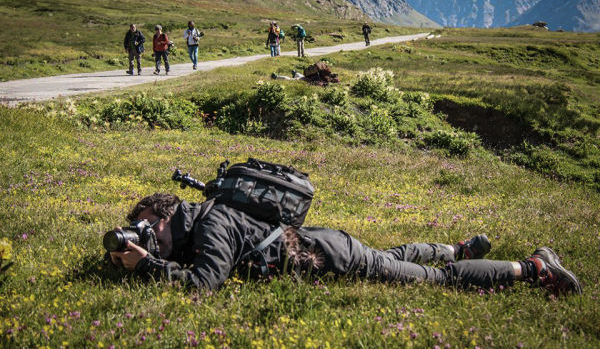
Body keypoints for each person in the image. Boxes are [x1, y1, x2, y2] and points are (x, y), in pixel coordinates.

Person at [108, 193, 582, 296]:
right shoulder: (203, 219)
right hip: (325, 244)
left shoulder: (210, 224)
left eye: (152, 228)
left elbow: (203, 285)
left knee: (435, 283)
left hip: (329, 258)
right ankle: (455, 248)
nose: (154, 239)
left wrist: (149, 265)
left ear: (169, 213)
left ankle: (534, 267)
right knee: (390, 259)